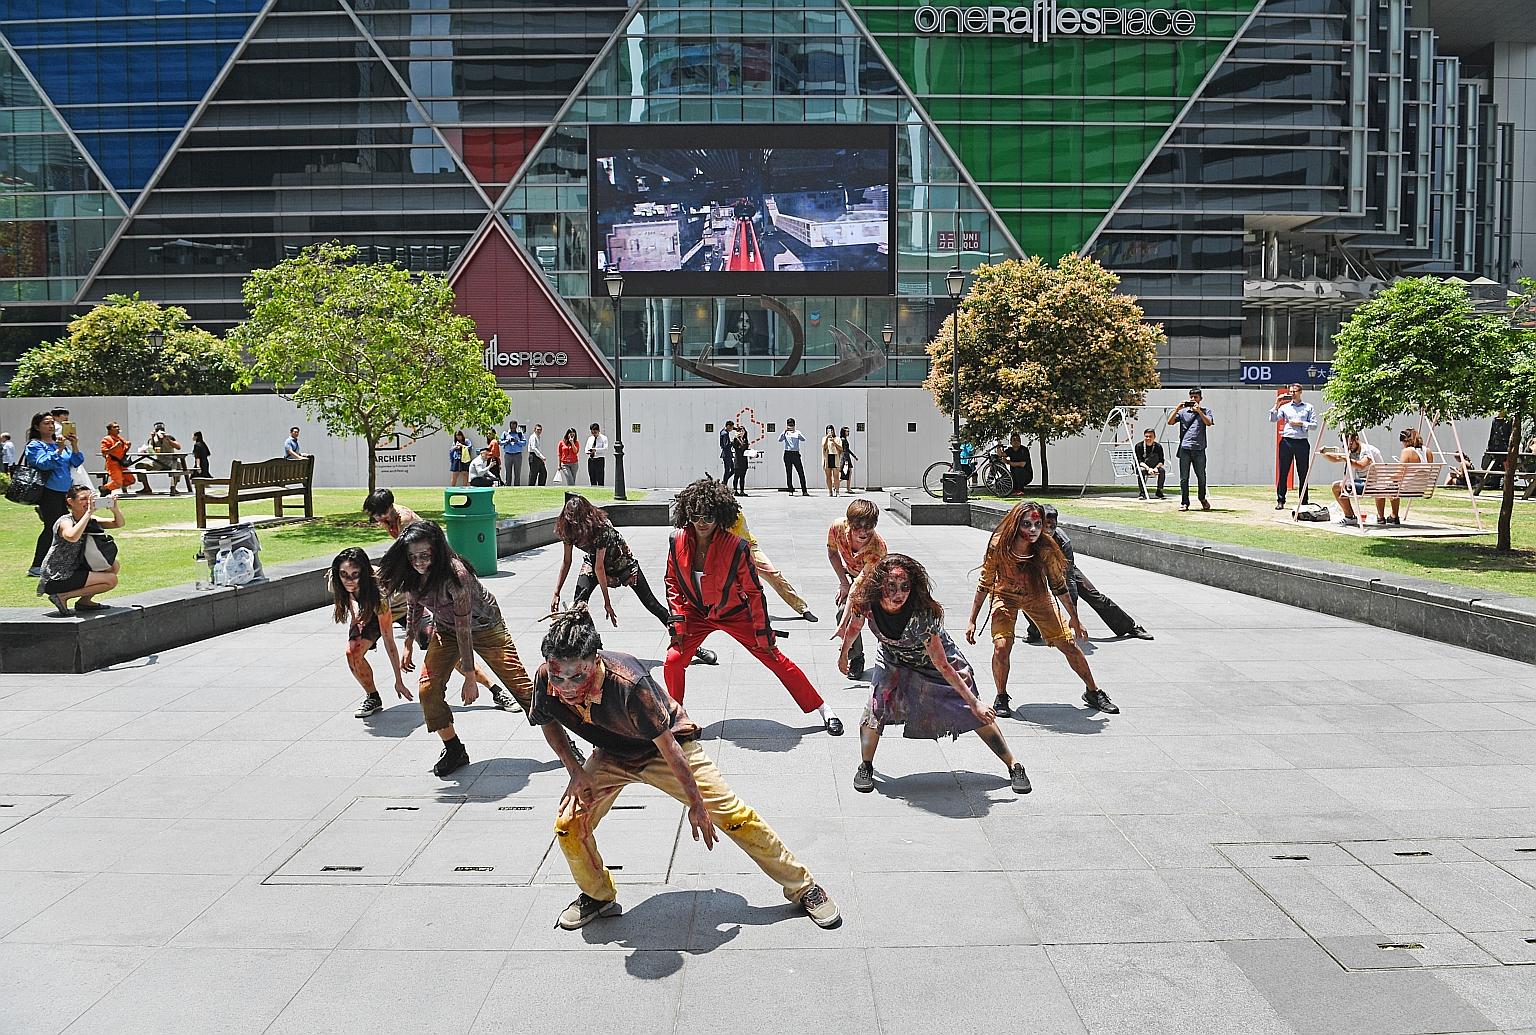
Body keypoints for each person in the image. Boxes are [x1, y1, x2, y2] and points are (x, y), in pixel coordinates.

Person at [532, 610, 841, 931]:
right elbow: (547, 720)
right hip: (612, 753)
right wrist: (576, 771)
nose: (566, 686)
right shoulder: (545, 678)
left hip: (667, 749)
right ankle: (597, 896)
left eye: (576, 677)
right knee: (568, 824)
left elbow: (669, 747)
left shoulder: (629, 683)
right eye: (559, 677)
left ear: (594, 661)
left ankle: (804, 886)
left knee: (733, 817)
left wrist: (696, 803)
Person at [838, 554, 1031, 796]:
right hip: (893, 659)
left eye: (905, 586)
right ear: (879, 586)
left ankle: (1014, 765)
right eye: (891, 587)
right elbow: (855, 627)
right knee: (875, 707)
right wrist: (844, 653)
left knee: (972, 711)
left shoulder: (922, 615)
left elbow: (943, 666)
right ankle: (865, 766)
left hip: (934, 663)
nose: (899, 593)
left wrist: (974, 702)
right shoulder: (865, 603)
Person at [663, 478, 842, 735]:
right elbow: (672, 582)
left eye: (709, 516)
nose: (702, 522)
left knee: (775, 658)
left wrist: (762, 630)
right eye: (696, 515)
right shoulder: (677, 541)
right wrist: (678, 619)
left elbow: (754, 591)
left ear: (720, 515)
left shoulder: (736, 547)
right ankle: (677, 719)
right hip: (696, 613)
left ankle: (824, 710)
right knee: (673, 660)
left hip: (734, 613)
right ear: (686, 513)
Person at [376, 521, 534, 777]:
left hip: (485, 626)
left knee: (524, 691)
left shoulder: (455, 576)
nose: (418, 562)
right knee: (427, 690)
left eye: (424, 555)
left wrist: (470, 677)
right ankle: (453, 749)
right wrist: (408, 642)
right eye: (412, 556)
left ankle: (565, 740)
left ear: (436, 551)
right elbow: (414, 605)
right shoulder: (411, 573)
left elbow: (465, 629)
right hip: (447, 629)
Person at [967, 501, 1118, 718]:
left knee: (1068, 644)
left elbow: (1058, 585)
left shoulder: (1045, 548)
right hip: (1005, 596)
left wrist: (1074, 618)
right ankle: (1001, 695)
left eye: (1038, 524)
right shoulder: (999, 545)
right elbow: (985, 581)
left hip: (1037, 597)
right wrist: (972, 619)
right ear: (1015, 524)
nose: (1033, 530)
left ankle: (1093, 692)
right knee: (1001, 645)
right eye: (1027, 524)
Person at [549, 493, 718, 666]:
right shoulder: (567, 529)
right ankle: (594, 650)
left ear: (586, 517)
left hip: (623, 564)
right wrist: (556, 592)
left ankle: (693, 646)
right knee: (578, 606)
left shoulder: (601, 528)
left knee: (652, 605)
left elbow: (601, 568)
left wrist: (607, 603)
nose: (574, 527)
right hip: (593, 564)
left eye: (577, 522)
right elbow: (567, 561)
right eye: (571, 522)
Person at [361, 488, 502, 695]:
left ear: (389, 508)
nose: (376, 518)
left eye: (378, 514)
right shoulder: (389, 520)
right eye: (374, 515)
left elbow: (410, 557)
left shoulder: (406, 521)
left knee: (449, 643)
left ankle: (491, 687)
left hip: (432, 579)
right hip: (419, 583)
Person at [1025, 505, 1152, 642]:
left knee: (1092, 594)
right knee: (1030, 595)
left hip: (1063, 568)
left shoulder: (1063, 541)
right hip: (1035, 568)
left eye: (1053, 526)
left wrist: (1074, 616)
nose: (1049, 530)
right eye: (1046, 526)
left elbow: (1070, 579)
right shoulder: (1028, 535)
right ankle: (1034, 630)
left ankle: (1129, 627)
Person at [329, 547, 411, 719]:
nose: (349, 580)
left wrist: (399, 681)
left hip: (401, 609)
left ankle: (474, 676)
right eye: (344, 574)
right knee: (352, 652)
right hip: (368, 610)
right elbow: (350, 597)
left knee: (438, 643)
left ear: (364, 573)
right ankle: (373, 697)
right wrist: (356, 616)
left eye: (355, 574)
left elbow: (389, 639)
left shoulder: (379, 591)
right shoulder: (335, 579)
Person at [36, 485, 124, 616]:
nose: (88, 502)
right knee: (111, 580)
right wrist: (88, 513)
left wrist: (115, 509)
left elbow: (118, 523)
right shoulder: (65, 521)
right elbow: (72, 536)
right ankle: (62, 596)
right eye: (83, 499)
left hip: (75, 568)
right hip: (58, 575)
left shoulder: (88, 519)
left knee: (113, 566)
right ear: (70, 501)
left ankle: (85, 602)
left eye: (90, 498)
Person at [827, 498, 887, 681]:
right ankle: (856, 657)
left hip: (875, 582)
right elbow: (832, 552)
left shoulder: (877, 548)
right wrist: (843, 582)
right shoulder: (837, 527)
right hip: (852, 577)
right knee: (841, 612)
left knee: (877, 621)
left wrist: (842, 626)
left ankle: (890, 660)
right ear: (849, 523)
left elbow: (857, 590)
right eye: (857, 527)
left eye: (868, 527)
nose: (862, 532)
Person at [24, 412, 85, 577]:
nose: (50, 426)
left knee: (63, 526)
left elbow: (76, 462)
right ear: (37, 426)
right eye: (46, 423)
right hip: (48, 491)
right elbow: (42, 464)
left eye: (52, 423)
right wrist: (58, 450)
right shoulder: (35, 445)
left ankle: (56, 563)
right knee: (53, 527)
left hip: (64, 491)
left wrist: (74, 445)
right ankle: (36, 565)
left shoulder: (60, 443)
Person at [1269, 383, 1317, 510]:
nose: (1292, 394)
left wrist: (1301, 423)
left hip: (1301, 442)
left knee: (1303, 473)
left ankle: (1304, 501)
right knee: (1283, 472)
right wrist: (1277, 404)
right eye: (1290, 391)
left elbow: (1314, 425)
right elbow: (1273, 419)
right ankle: (1280, 500)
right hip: (1287, 441)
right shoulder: (1285, 407)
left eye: (1294, 391)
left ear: (1300, 392)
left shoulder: (1308, 407)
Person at [1322, 431, 1384, 528]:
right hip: (1372, 484)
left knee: (1336, 486)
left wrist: (1346, 458)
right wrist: (1325, 454)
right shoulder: (1354, 451)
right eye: (1346, 444)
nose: (1348, 447)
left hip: (1371, 485)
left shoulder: (1367, 450)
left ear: (1356, 439)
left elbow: (1361, 465)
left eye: (1350, 443)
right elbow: (1336, 459)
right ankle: (1380, 517)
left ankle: (1349, 517)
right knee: (1341, 484)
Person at [1166, 387, 1214, 511]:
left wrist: (1199, 412)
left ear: (1200, 399)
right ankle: (1184, 502)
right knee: (1184, 477)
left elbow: (1208, 423)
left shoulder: (1206, 411)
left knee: (1201, 476)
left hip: (1199, 449)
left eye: (1196, 397)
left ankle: (1202, 498)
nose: (1193, 399)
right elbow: (1170, 422)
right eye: (1191, 397)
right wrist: (1177, 409)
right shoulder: (1183, 413)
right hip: (1185, 448)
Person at [1384, 428, 1434, 526]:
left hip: (1407, 488)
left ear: (1405, 441)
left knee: (1391, 485)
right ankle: (1392, 516)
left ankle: (1393, 516)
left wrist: (1386, 477)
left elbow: (1399, 475)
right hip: (1423, 488)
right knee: (1393, 485)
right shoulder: (1428, 451)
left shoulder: (1406, 451)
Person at [139, 421, 188, 495]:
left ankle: (173, 487)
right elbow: (151, 452)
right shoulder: (153, 439)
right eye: (158, 430)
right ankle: (146, 488)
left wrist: (168, 440)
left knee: (178, 465)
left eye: (161, 430)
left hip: (170, 462)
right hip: (157, 462)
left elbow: (178, 447)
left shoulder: (170, 437)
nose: (160, 431)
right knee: (139, 466)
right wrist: (152, 439)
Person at [99, 422, 138, 494]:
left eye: (118, 427)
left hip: (121, 464)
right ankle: (104, 488)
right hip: (112, 464)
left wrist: (128, 447)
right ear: (109, 430)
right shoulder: (106, 439)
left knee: (131, 480)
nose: (117, 428)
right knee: (118, 483)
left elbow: (123, 451)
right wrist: (115, 447)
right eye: (115, 427)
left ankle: (111, 487)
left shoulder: (120, 439)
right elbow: (104, 452)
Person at [779, 418, 809, 496]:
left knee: (801, 472)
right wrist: (784, 431)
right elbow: (779, 440)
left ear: (794, 425)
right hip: (787, 453)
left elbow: (803, 439)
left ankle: (804, 490)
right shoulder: (785, 433)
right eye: (789, 425)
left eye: (792, 425)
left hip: (795, 453)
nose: (790, 427)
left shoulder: (797, 432)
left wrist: (796, 433)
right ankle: (790, 489)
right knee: (789, 472)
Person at [1134, 428, 1166, 499]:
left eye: (1150, 436)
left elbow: (1161, 461)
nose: (1148, 438)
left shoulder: (1158, 446)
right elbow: (1139, 461)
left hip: (1154, 467)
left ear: (1154, 437)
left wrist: (1156, 468)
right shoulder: (1139, 446)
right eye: (1146, 436)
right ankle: (1142, 492)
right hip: (1143, 466)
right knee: (1141, 471)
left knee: (1162, 471)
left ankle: (1159, 490)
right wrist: (1148, 469)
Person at [820, 425, 842, 496]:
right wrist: (827, 438)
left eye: (832, 430)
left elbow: (841, 448)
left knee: (836, 476)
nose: (830, 432)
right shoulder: (824, 438)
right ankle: (830, 491)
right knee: (828, 476)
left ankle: (837, 491)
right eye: (829, 430)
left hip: (835, 457)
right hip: (827, 458)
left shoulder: (837, 438)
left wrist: (834, 442)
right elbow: (824, 447)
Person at [731, 426, 750, 496]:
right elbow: (735, 446)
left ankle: (742, 490)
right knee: (736, 476)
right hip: (738, 461)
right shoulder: (735, 440)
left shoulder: (745, 439)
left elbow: (746, 449)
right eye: (740, 431)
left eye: (743, 431)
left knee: (743, 477)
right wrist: (736, 438)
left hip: (744, 460)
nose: (741, 432)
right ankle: (735, 490)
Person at [839, 426, 858, 494]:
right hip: (845, 458)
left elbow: (847, 449)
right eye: (847, 431)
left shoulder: (845, 439)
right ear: (844, 432)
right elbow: (844, 450)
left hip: (847, 457)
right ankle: (835, 484)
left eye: (848, 431)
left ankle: (848, 487)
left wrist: (854, 456)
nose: (848, 432)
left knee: (848, 472)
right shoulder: (843, 439)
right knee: (845, 472)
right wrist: (846, 459)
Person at [719, 420, 736, 484]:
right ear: (728, 426)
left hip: (727, 454)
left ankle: (724, 482)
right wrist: (732, 442)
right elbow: (726, 445)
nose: (732, 429)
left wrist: (736, 429)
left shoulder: (723, 431)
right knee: (727, 470)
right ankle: (724, 483)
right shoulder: (725, 434)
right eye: (731, 428)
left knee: (732, 469)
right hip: (726, 454)